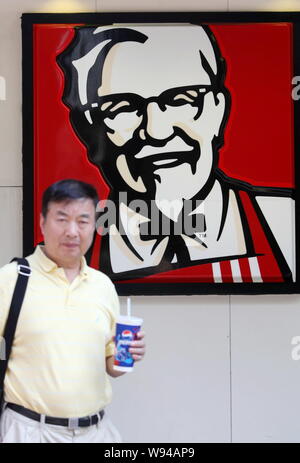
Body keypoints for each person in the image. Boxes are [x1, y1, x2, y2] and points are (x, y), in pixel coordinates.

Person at [57, 24, 294, 283]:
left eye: (182, 100)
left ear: (217, 111)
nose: (157, 131)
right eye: (121, 107)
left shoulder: (284, 223)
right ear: (88, 130)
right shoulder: (64, 255)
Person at [0, 179, 145, 443]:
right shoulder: (10, 280)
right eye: (62, 219)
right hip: (30, 432)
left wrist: (129, 356)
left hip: (96, 432)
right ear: (43, 222)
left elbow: (111, 365)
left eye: (82, 221)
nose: (72, 231)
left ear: (94, 226)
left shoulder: (103, 286)